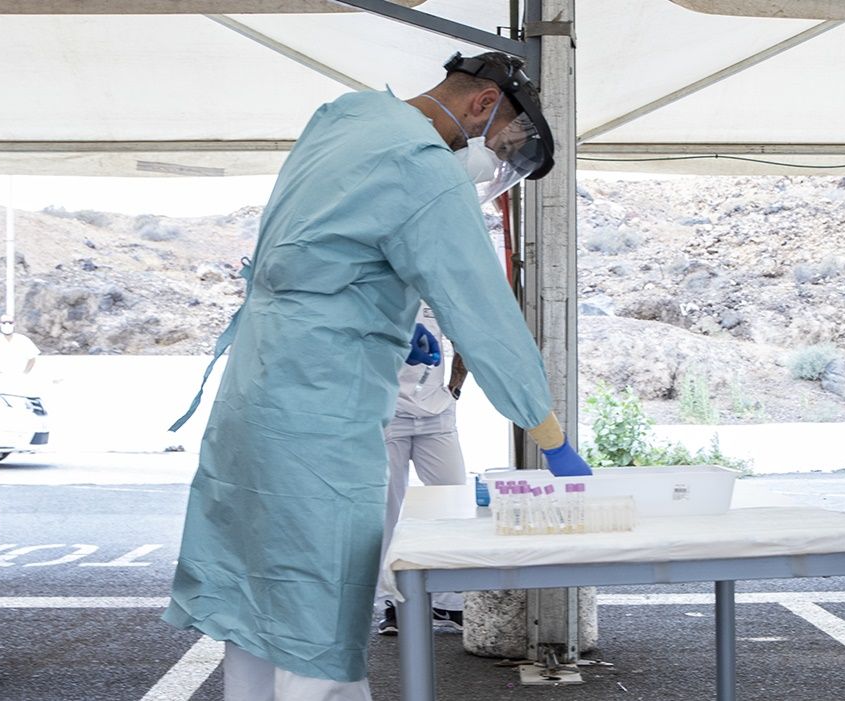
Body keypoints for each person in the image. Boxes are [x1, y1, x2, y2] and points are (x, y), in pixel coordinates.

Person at [163, 51, 591, 700]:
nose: (496, 162)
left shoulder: (344, 117)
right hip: (320, 421)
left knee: (252, 616)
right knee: (317, 635)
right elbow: (485, 316)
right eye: (502, 143)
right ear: (481, 105)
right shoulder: (425, 170)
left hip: (250, 401)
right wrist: (552, 436)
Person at [374, 306, 468, 637]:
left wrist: (453, 389)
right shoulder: (379, 287)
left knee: (452, 499)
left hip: (437, 413)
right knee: (386, 509)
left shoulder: (437, 287)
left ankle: (449, 602)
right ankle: (393, 602)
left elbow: (464, 340)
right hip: (388, 413)